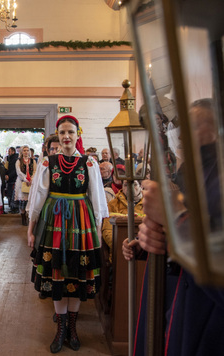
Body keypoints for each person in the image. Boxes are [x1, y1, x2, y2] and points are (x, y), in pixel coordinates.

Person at [123, 99, 224, 356]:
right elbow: (176, 235)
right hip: (171, 299)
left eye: (193, 126)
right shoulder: (188, 171)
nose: (180, 135)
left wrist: (175, 218)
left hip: (203, 312)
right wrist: (146, 244)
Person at [27, 115, 108, 353]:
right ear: (57, 135)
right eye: (62, 132)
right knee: (57, 274)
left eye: (70, 132)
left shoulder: (89, 163)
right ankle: (60, 328)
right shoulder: (47, 163)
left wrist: (98, 231)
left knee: (75, 272)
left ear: (77, 134)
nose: (66, 137)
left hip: (81, 224)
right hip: (54, 223)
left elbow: (97, 200)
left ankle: (72, 327)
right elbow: (37, 199)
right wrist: (31, 230)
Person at [102, 179, 143, 263]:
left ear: (141, 186)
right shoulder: (113, 204)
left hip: (143, 250)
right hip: (118, 252)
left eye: (134, 184)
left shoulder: (148, 203)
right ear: (122, 187)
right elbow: (107, 231)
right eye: (125, 185)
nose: (130, 188)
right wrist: (123, 246)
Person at [15, 145, 36, 226]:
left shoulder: (33, 161)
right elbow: (18, 172)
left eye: (27, 150)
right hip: (21, 182)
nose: (26, 152)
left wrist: (31, 179)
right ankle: (23, 217)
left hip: (31, 182)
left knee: (30, 201)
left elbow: (35, 171)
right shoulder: (18, 161)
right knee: (22, 202)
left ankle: (29, 217)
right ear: (22, 152)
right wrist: (25, 179)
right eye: (24, 150)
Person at [5, 147, 19, 213]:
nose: (8, 152)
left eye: (9, 151)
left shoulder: (15, 159)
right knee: (10, 193)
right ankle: (11, 207)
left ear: (13, 152)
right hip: (10, 179)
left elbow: (15, 170)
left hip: (13, 179)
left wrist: (9, 176)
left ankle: (14, 208)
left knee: (13, 194)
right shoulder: (9, 159)